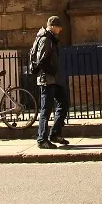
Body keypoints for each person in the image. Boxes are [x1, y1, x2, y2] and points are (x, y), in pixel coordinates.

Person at [31, 16, 69, 149]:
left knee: (64, 103)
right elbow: (41, 60)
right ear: (52, 26)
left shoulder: (51, 38)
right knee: (45, 110)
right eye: (59, 26)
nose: (61, 29)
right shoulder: (45, 39)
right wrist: (53, 71)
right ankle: (42, 139)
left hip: (54, 79)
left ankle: (55, 134)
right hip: (47, 79)